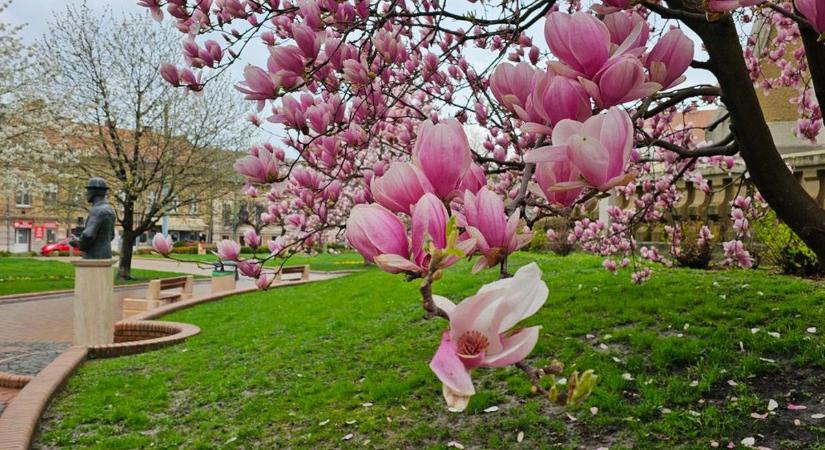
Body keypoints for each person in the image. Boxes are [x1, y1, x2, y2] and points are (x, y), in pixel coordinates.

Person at [69, 177, 116, 259]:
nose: (86, 194)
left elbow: (88, 235)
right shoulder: (110, 209)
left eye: (88, 191)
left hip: (94, 255)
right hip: (106, 254)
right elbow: (111, 235)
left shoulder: (97, 210)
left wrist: (77, 242)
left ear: (94, 192)